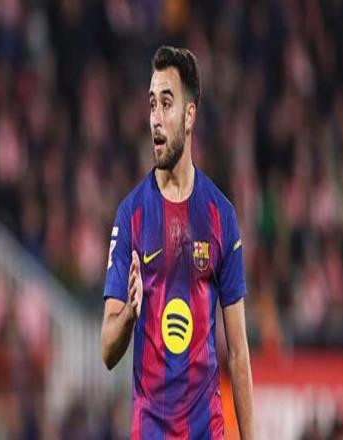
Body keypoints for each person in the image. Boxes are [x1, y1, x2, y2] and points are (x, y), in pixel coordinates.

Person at [101, 45, 254, 439]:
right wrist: (129, 314)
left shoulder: (220, 216)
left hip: (206, 431)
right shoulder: (131, 215)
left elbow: (238, 352)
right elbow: (106, 351)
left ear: (189, 116)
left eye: (166, 104)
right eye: (152, 104)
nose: (155, 117)